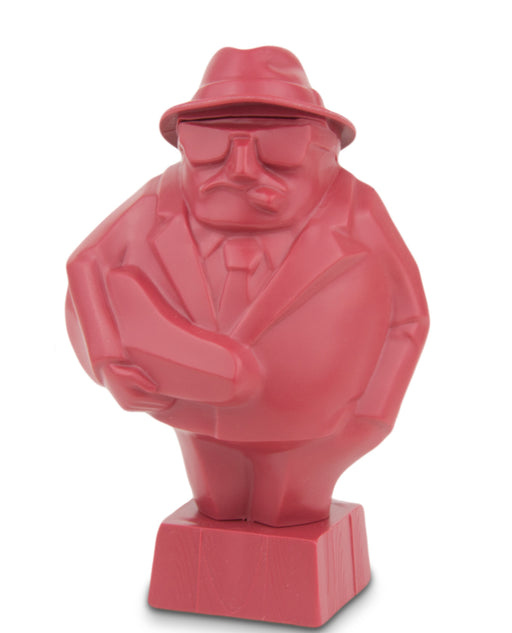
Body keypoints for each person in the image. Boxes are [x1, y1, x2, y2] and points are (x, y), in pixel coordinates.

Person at [66, 46, 429, 527]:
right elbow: (87, 264)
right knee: (216, 511)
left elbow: (409, 316)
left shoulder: (356, 209)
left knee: (288, 514)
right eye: (209, 145)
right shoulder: (162, 199)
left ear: (325, 146)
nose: (240, 168)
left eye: (277, 147)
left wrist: (372, 417)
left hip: (306, 430)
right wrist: (109, 362)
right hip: (196, 417)